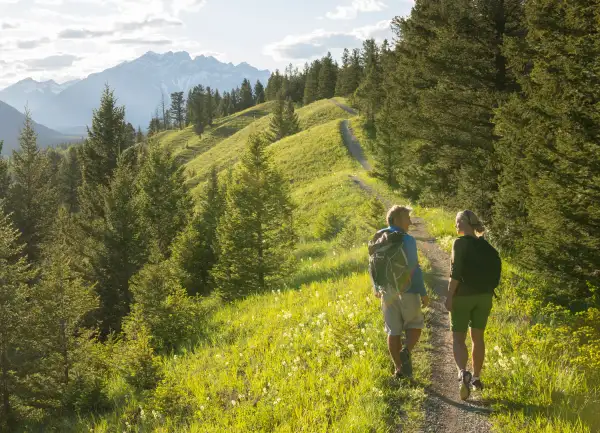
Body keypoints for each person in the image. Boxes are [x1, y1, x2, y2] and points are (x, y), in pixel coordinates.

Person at [445, 210, 499, 400]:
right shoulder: (486, 246)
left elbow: (456, 272)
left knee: (458, 339)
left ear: (465, 223)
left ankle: (463, 374)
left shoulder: (459, 243)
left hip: (464, 296)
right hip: (484, 296)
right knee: (478, 337)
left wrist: (449, 295)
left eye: (458, 221)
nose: (456, 225)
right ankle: (476, 378)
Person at [372, 205, 429, 378]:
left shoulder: (378, 237)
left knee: (393, 331)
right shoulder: (407, 239)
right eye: (407, 218)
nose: (410, 222)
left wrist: (376, 287)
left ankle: (398, 369)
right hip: (408, 290)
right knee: (415, 325)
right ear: (396, 219)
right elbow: (414, 268)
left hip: (387, 291)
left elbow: (373, 265)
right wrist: (423, 292)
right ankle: (406, 351)